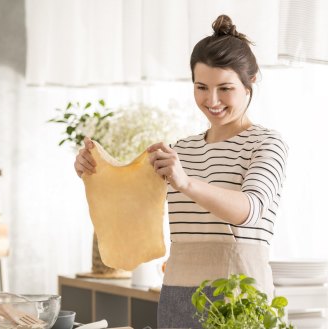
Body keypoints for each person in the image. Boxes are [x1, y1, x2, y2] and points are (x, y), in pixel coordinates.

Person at [74, 14, 288, 328]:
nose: (211, 100)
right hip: (177, 292)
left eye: (224, 88)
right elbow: (133, 207)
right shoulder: (182, 149)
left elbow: (250, 209)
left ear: (250, 82)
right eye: (201, 87)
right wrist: (94, 172)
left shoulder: (266, 143)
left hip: (241, 293)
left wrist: (185, 182)